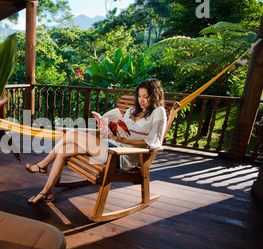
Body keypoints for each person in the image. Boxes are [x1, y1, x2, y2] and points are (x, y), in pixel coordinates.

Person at [25, 78, 167, 204]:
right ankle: (47, 192)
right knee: (63, 150)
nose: (141, 100)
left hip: (121, 156)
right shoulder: (131, 111)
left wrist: (121, 139)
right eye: (139, 96)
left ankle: (42, 165)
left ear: (154, 97)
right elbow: (121, 131)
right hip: (111, 145)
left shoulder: (158, 112)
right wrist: (107, 129)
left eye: (146, 97)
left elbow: (153, 142)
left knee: (70, 134)